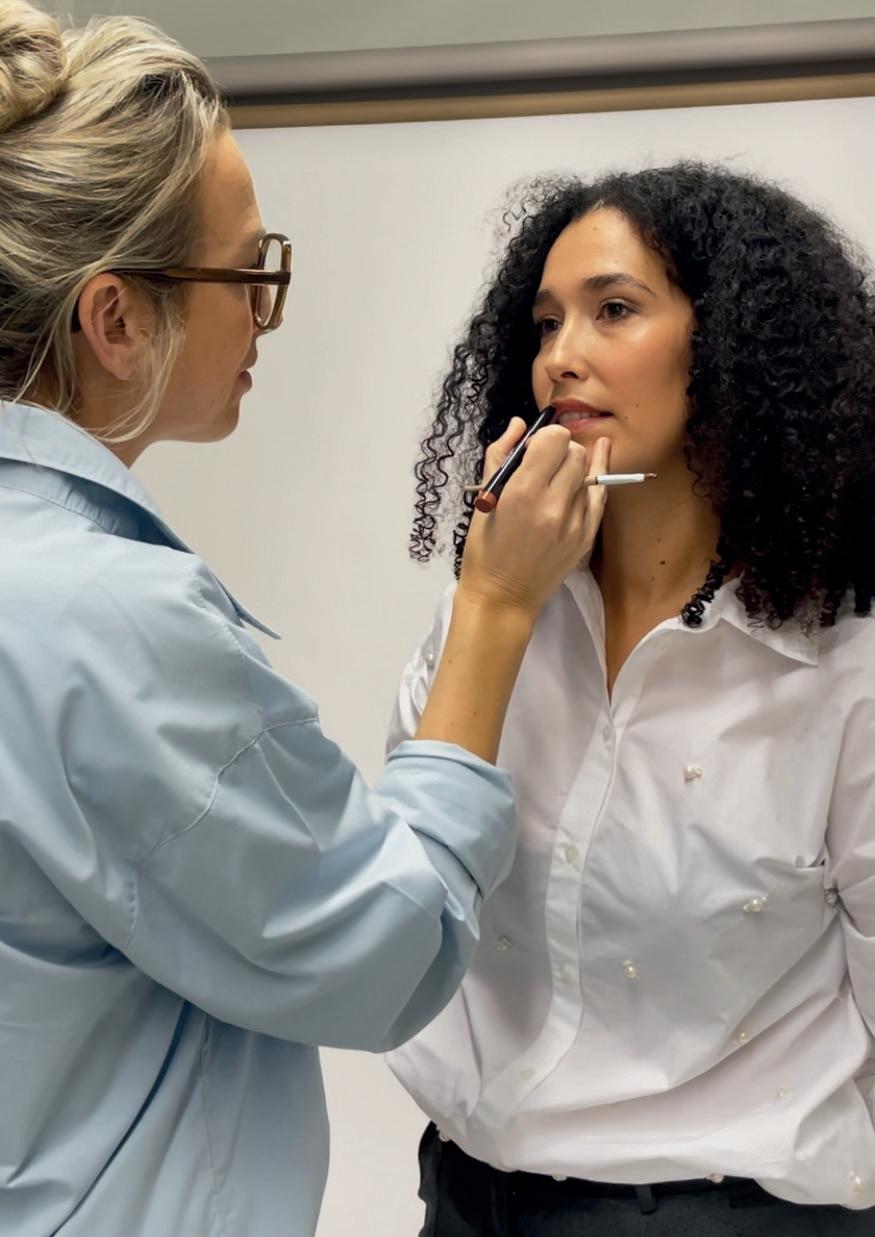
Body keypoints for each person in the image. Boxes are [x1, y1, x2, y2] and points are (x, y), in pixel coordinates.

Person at [0, 4, 611, 1235]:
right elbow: (381, 949)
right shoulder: (102, 614)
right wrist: (493, 607)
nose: (264, 314)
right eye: (249, 274)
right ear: (115, 320)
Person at [388, 161, 875, 1235]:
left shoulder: (844, 666)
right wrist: (487, 608)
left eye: (613, 309)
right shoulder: (490, 616)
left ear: (736, 342)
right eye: (546, 321)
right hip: (464, 1196)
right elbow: (398, 910)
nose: (560, 355)